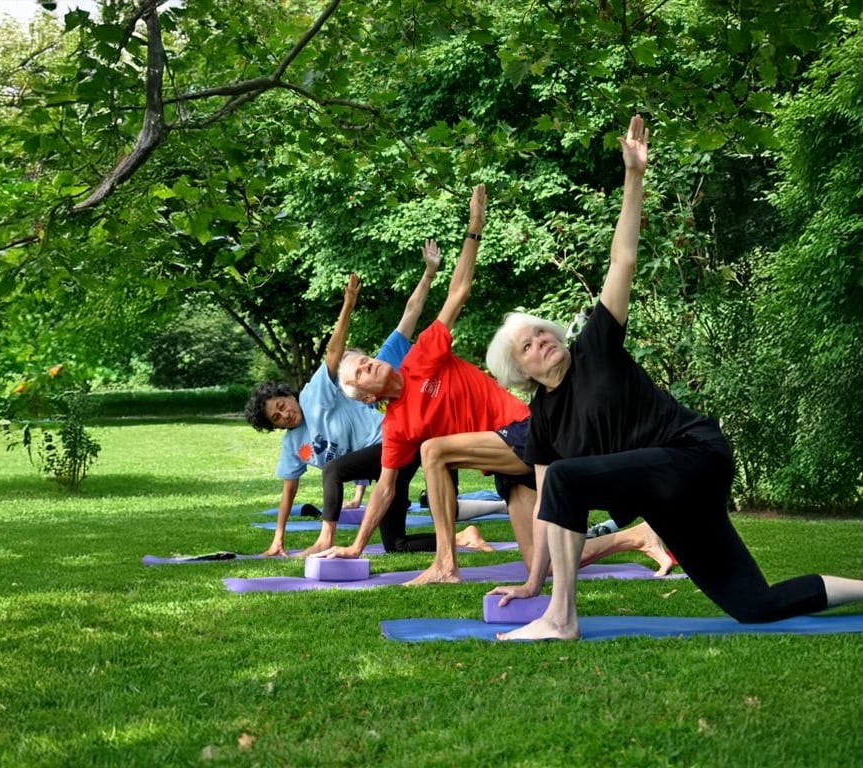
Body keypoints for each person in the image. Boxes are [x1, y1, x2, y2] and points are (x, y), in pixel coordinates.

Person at [485, 114, 863, 640]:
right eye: (527, 345)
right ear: (519, 372)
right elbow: (551, 511)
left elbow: (623, 258)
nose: (542, 341)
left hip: (693, 456)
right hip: (668, 499)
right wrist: (531, 580)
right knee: (754, 604)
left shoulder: (595, 344)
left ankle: (561, 619)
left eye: (542, 333)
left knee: (572, 478)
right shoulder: (543, 418)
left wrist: (634, 176)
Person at [317, 184, 674, 583]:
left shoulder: (421, 356)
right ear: (365, 396)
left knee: (433, 450)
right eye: (362, 372)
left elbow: (459, 292)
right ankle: (638, 536)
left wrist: (474, 228)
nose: (370, 364)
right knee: (545, 563)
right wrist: (356, 545)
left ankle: (445, 564)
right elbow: (384, 489)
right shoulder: (396, 427)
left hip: (526, 431)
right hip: (506, 465)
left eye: (366, 359)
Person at [245, 248, 490, 557]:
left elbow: (409, 313)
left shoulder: (370, 367)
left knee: (334, 469)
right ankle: (463, 537)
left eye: (281, 405)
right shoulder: (301, 434)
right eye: (276, 418)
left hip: (401, 442)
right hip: (388, 457)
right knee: (394, 544)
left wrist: (426, 274)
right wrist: (278, 538)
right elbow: (289, 490)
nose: (284, 414)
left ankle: (326, 538)